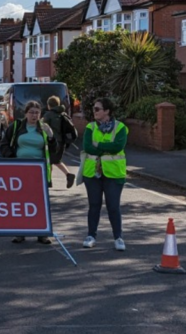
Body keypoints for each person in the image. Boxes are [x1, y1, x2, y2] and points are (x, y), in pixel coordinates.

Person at [0, 100, 55, 245]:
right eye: (31, 112)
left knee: (39, 201)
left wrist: (51, 137)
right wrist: (11, 158)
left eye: (37, 113)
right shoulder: (17, 126)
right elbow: (3, 144)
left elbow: (54, 150)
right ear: (26, 113)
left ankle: (42, 233)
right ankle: (20, 233)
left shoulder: (44, 128)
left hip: (39, 170)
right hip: (20, 169)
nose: (34, 115)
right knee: (20, 201)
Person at [81, 97, 129, 251]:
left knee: (113, 206)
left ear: (107, 111)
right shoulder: (90, 127)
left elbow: (117, 147)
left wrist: (98, 145)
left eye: (97, 109)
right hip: (92, 173)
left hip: (114, 174)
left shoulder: (121, 127)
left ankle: (118, 237)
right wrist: (105, 147)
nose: (94, 112)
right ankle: (91, 236)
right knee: (94, 206)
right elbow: (87, 146)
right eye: (93, 109)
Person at [42, 96, 76, 188]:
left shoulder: (48, 115)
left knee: (49, 161)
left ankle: (48, 180)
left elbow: (43, 127)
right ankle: (68, 175)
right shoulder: (63, 114)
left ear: (49, 105)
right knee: (55, 160)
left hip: (52, 141)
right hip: (62, 141)